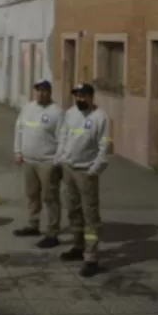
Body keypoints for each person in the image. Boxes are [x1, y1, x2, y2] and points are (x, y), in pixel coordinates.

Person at [55, 82, 111, 277]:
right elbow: (63, 137)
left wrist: (94, 170)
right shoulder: (70, 113)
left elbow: (105, 148)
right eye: (77, 95)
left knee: (90, 217)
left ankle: (91, 257)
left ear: (91, 96)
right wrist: (59, 160)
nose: (80, 99)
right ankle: (78, 247)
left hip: (86, 172)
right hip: (69, 170)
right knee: (72, 211)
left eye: (83, 95)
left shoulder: (100, 117)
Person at [12, 80, 65, 248]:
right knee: (32, 195)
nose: (40, 94)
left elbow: (63, 138)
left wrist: (57, 160)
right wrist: (18, 151)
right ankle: (33, 224)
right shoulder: (28, 108)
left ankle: (52, 232)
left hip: (48, 162)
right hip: (29, 160)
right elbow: (19, 129)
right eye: (38, 91)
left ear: (50, 92)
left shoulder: (57, 112)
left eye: (44, 91)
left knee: (50, 197)